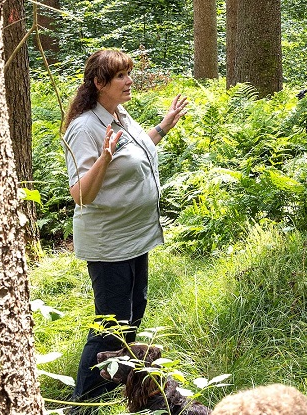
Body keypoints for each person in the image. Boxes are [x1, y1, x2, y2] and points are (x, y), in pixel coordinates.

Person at [61, 49, 188, 403]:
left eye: (129, 74)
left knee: (130, 320)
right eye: (121, 76)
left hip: (135, 237)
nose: (130, 81)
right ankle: (83, 402)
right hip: (110, 242)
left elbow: (134, 151)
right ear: (99, 83)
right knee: (110, 328)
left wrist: (164, 126)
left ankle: (115, 388)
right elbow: (81, 194)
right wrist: (103, 157)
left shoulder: (118, 114)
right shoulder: (85, 127)